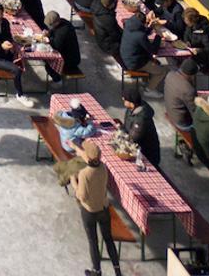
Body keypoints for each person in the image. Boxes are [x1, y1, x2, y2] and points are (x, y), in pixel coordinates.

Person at [74, 140, 122, 276]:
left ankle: (96, 271)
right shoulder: (103, 168)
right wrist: (75, 147)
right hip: (103, 208)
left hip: (89, 211)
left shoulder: (84, 173)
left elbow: (82, 196)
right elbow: (88, 157)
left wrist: (74, 183)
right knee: (108, 238)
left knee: (93, 241)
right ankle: (117, 270)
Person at [0, 4, 32, 103]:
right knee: (17, 70)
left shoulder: (5, 22)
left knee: (23, 56)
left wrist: (9, 43)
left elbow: (8, 36)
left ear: (2, 15)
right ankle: (20, 94)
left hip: (4, 53)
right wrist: (1, 46)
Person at [122, 86, 161, 167]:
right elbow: (127, 126)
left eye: (125, 99)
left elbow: (133, 138)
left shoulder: (141, 119)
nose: (123, 101)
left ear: (131, 103)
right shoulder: (132, 109)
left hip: (147, 155)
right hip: (139, 150)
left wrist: (121, 140)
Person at [162, 58, 198, 137]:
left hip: (171, 112)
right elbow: (195, 112)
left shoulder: (170, 75)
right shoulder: (188, 90)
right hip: (183, 123)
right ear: (192, 75)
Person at [43, 9, 82, 80]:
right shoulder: (63, 22)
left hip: (70, 60)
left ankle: (57, 80)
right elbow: (53, 31)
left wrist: (48, 39)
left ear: (56, 23)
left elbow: (56, 46)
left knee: (48, 64)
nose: (49, 27)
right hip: (70, 55)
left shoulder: (63, 31)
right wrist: (49, 34)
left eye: (50, 25)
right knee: (46, 59)